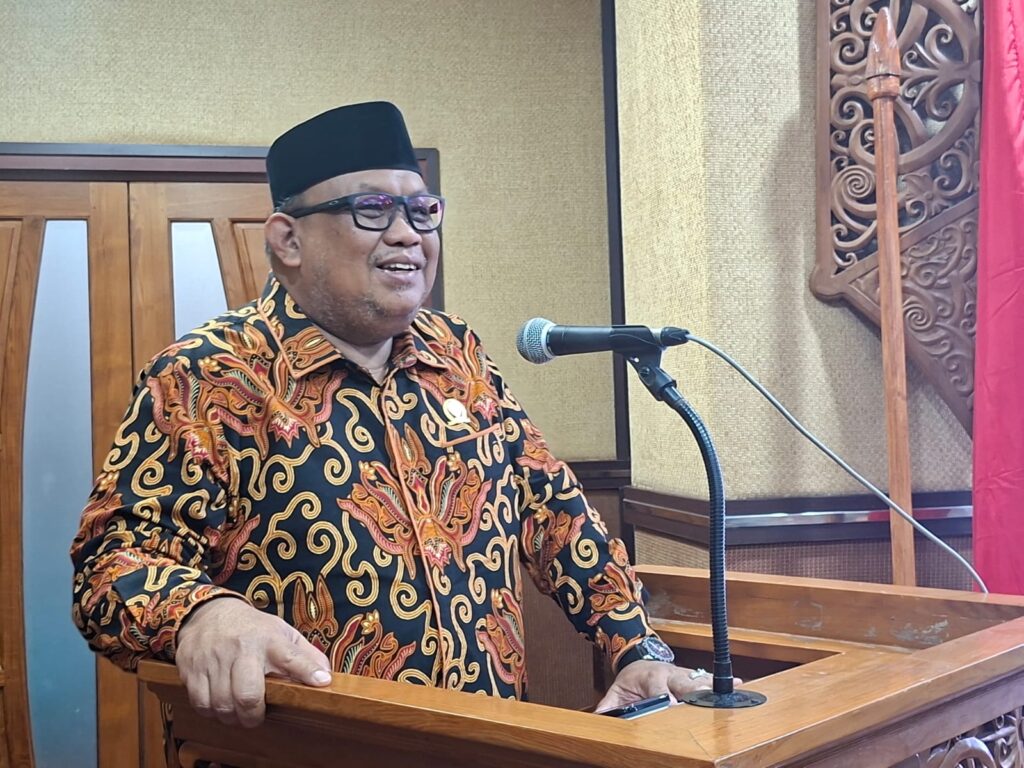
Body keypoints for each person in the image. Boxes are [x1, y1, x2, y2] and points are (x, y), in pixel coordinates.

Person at [70, 102, 713, 730]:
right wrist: (203, 614)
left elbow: (555, 514)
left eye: (422, 210)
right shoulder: (209, 375)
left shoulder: (456, 353)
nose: (408, 233)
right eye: (372, 209)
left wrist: (636, 647)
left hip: (488, 742)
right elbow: (109, 565)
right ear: (288, 240)